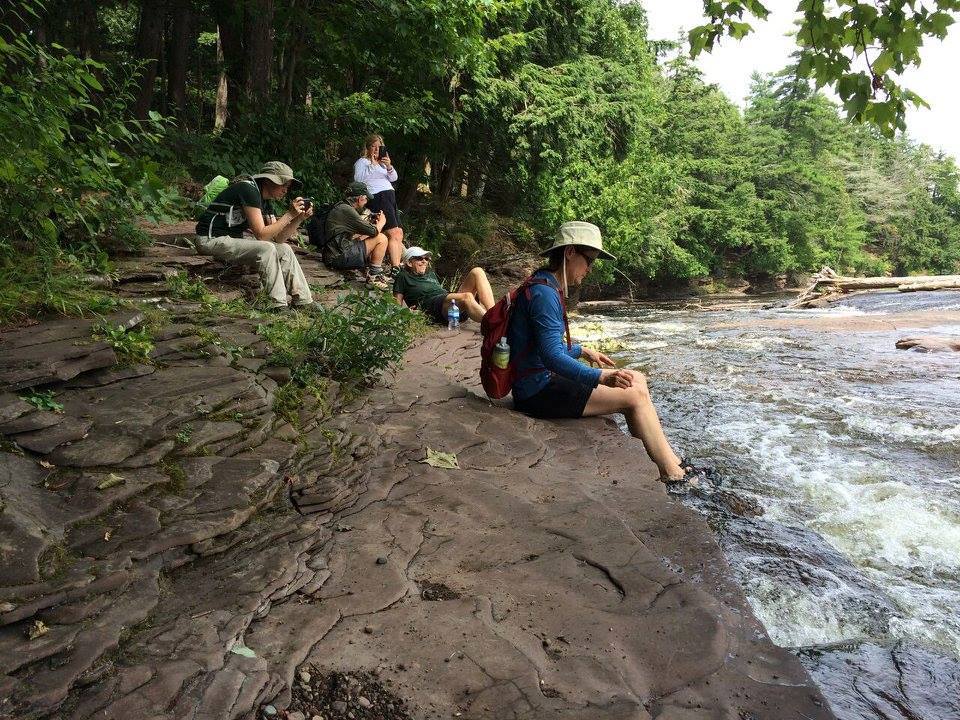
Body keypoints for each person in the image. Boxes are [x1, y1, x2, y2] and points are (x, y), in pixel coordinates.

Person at [507, 221, 698, 485]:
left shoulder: (543, 285)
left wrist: (582, 349)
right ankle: (673, 473)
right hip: (536, 393)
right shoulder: (544, 294)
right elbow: (551, 356)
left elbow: (544, 347)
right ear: (570, 252)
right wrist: (600, 376)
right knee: (634, 395)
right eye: (589, 260)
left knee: (635, 378)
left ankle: (671, 461)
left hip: (539, 381)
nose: (590, 269)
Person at [194, 161, 314, 310]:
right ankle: (277, 305)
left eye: (287, 187)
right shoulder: (248, 189)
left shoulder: (265, 201)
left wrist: (299, 218)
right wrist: (289, 214)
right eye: (283, 184)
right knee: (267, 248)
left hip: (229, 241)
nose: (285, 190)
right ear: (268, 180)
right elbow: (262, 235)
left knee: (285, 249)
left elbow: (279, 239)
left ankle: (304, 301)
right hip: (210, 240)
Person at [323, 181, 403, 288]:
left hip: (334, 253)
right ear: (360, 198)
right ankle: (374, 276)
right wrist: (382, 222)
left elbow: (359, 234)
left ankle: (373, 272)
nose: (366, 202)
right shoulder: (347, 210)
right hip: (338, 256)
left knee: (367, 237)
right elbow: (374, 231)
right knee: (381, 238)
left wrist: (372, 225)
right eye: (366, 199)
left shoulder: (341, 207)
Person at [393, 246, 494, 323]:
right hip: (433, 308)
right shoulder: (403, 277)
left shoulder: (430, 274)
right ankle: (493, 324)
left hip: (450, 306)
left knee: (477, 271)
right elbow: (395, 307)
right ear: (409, 263)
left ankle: (494, 313)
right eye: (419, 258)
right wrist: (408, 313)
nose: (424, 261)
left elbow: (442, 293)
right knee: (467, 296)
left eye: (426, 259)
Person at [353, 134, 404, 249]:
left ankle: (395, 264)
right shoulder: (362, 162)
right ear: (367, 148)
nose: (376, 149)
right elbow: (358, 180)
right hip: (378, 196)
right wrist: (372, 165)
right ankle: (395, 265)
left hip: (390, 197)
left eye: (379, 146)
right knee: (392, 231)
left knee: (399, 232)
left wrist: (389, 166)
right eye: (373, 146)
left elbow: (394, 178)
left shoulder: (383, 163)